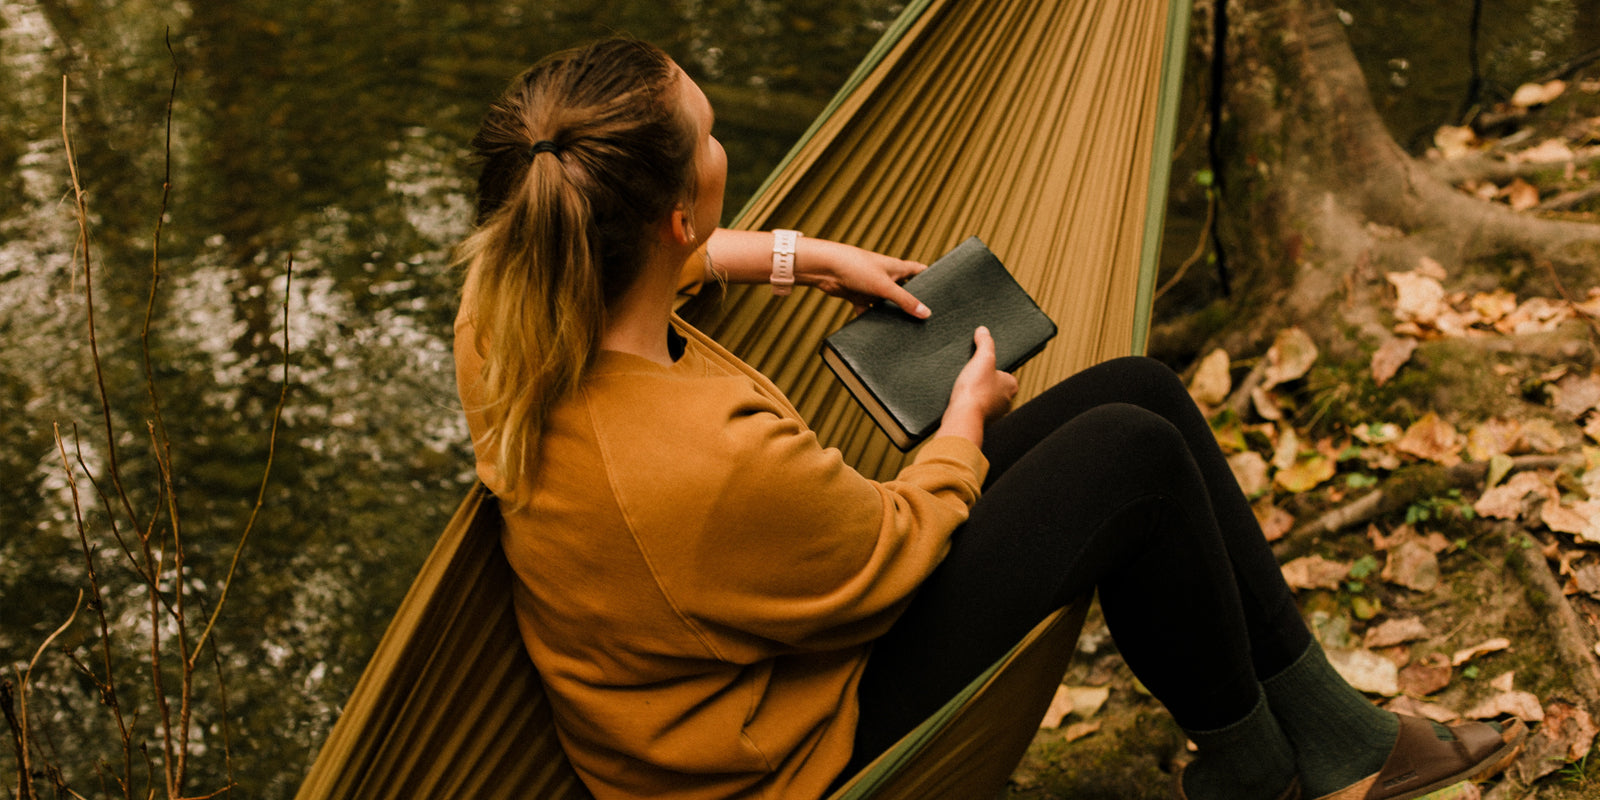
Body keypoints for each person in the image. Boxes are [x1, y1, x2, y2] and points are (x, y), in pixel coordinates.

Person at [452, 37, 1525, 800]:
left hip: (739, 659)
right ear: (676, 212)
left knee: (1139, 390)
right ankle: (1259, 769)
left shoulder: (508, 320)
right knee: (1133, 454)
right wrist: (962, 418)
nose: (721, 140)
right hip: (782, 744)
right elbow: (891, 543)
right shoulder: (706, 458)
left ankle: (1330, 739)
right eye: (712, 133)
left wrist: (795, 256)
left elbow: (653, 252)